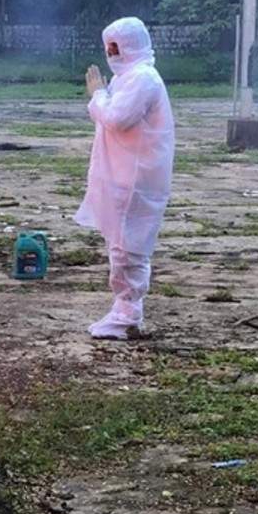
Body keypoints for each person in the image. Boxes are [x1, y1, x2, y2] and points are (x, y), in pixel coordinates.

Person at [76, 17, 175, 339]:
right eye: (108, 47)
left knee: (129, 247)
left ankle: (127, 313)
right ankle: (123, 310)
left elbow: (117, 118)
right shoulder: (128, 77)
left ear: (132, 44)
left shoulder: (143, 78)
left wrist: (97, 95)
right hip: (123, 174)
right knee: (121, 244)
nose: (110, 53)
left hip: (136, 178)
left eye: (115, 46)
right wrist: (103, 94)